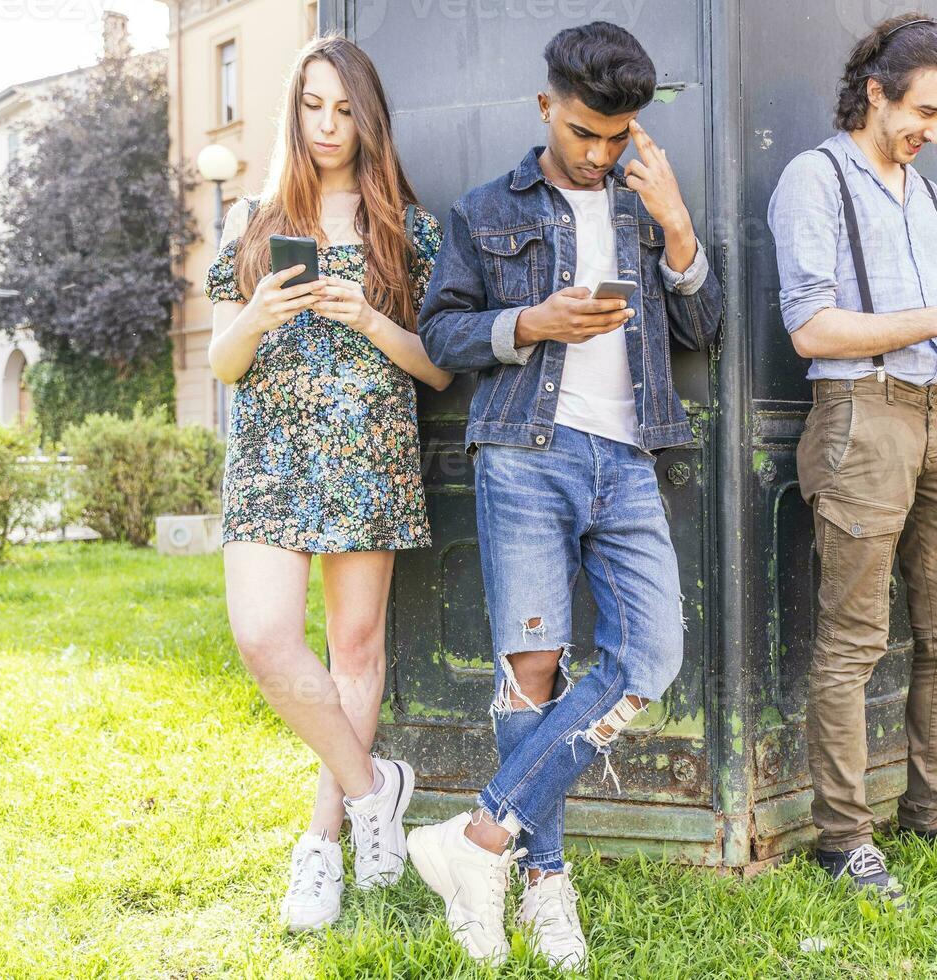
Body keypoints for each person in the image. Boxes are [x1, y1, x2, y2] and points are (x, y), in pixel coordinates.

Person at [411, 21, 723, 969]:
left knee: (653, 657)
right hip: (524, 454)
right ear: (546, 106)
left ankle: (478, 842)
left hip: (627, 460)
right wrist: (528, 322)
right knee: (531, 671)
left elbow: (705, 328)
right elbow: (438, 336)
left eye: (618, 135)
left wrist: (676, 224)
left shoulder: (642, 200)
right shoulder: (483, 208)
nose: (599, 152)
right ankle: (544, 890)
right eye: (584, 130)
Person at [767, 13, 937, 908]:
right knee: (854, 640)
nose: (935, 130)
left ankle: (930, 810)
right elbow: (811, 328)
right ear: (875, 92)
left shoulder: (930, 195)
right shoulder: (814, 180)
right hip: (859, 418)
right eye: (925, 109)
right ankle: (844, 839)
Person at [203, 35, 452, 933]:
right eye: (313, 105)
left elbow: (440, 369)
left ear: (368, 117)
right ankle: (371, 787)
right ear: (292, 109)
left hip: (369, 455)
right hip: (271, 457)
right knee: (266, 639)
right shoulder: (254, 220)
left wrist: (374, 321)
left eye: (345, 109)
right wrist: (261, 314)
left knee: (355, 650)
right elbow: (223, 365)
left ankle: (322, 844)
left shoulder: (407, 231)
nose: (328, 125)